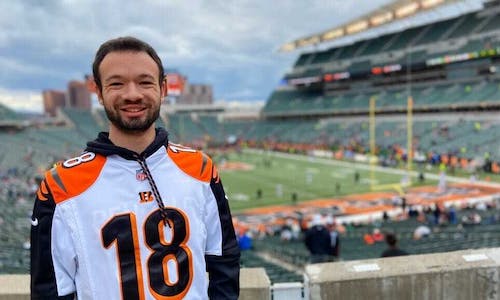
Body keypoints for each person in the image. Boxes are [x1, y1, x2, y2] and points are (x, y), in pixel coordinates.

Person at [30, 36, 240, 299]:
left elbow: (224, 263)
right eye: (117, 83)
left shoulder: (200, 169)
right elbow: (51, 290)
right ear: (99, 91)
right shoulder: (61, 185)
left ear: (162, 89)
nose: (132, 94)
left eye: (144, 82)